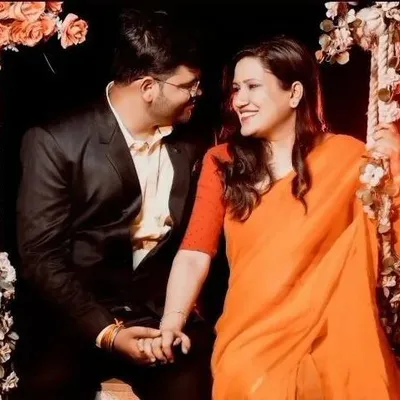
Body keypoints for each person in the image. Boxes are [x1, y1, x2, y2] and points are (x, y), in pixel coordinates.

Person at [149, 35, 400, 399]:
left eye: (253, 87)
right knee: (251, 382)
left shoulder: (347, 157)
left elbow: (389, 230)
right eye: (236, 89)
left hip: (336, 331)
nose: (239, 101)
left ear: (294, 93)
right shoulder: (222, 161)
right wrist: (172, 321)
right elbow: (195, 252)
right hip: (251, 337)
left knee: (349, 375)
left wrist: (394, 163)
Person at [14, 8, 214, 400]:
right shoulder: (55, 142)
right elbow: (40, 256)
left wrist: (172, 322)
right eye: (188, 85)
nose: (198, 93)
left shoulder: (194, 143)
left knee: (202, 385)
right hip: (77, 318)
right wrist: (108, 332)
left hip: (160, 317)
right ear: (148, 88)